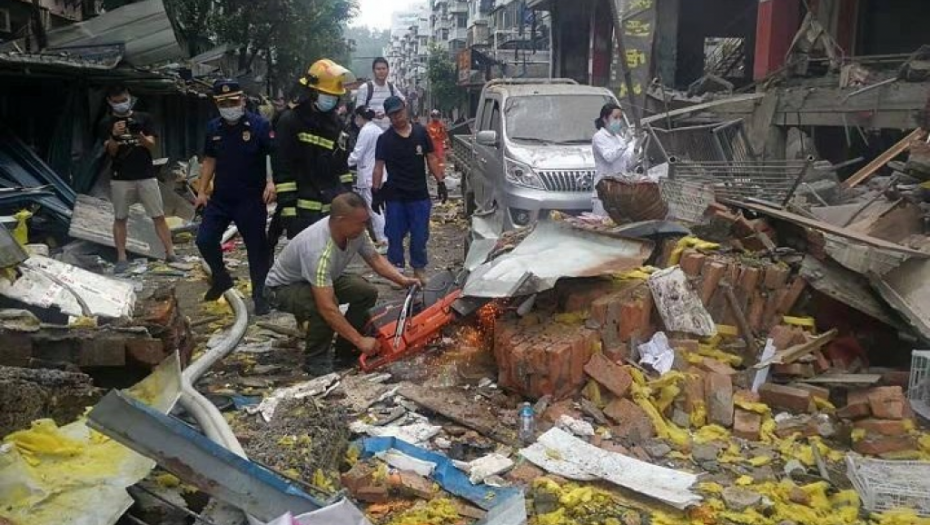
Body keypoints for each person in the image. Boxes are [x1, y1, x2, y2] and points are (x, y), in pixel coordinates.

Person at [264, 192, 420, 375]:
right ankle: (316, 360)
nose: (365, 227)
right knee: (323, 307)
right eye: (360, 223)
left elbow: (375, 259)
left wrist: (402, 280)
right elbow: (327, 308)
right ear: (340, 220)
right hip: (283, 288)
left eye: (365, 222)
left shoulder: (357, 233)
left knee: (365, 291)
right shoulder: (318, 249)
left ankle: (345, 351)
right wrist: (361, 341)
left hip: (320, 278)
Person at [195, 80, 276, 314]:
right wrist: (201, 191)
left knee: (256, 249)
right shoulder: (214, 128)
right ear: (217, 104)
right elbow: (209, 160)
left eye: (233, 101)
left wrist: (272, 182)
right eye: (223, 103)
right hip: (221, 196)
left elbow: (273, 155)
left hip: (251, 197)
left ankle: (260, 296)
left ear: (242, 100)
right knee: (205, 239)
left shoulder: (259, 125)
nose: (229, 106)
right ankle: (221, 278)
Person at [272, 59, 355, 239]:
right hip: (302, 212)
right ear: (312, 92)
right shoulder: (290, 121)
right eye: (325, 93)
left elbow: (342, 168)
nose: (330, 99)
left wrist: (347, 198)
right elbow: (283, 170)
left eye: (334, 95)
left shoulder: (337, 125)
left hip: (331, 210)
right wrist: (289, 211)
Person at [100, 85, 176, 273]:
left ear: (129, 98)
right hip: (120, 177)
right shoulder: (106, 123)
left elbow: (151, 145)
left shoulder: (144, 118)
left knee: (158, 215)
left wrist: (138, 134)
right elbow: (111, 151)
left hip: (146, 174)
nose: (120, 104)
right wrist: (114, 135)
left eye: (123, 100)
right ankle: (121, 257)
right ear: (110, 102)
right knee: (120, 218)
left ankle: (171, 252)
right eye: (116, 102)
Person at [371, 96, 446, 283]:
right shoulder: (384, 140)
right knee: (394, 235)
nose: (397, 117)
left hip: (419, 195)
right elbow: (378, 167)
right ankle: (397, 270)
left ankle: (419, 268)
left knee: (420, 235)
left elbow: (431, 158)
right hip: (395, 196)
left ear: (405, 109)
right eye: (392, 115)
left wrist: (441, 181)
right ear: (388, 117)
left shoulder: (421, 133)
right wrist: (375, 192)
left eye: (399, 112)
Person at [347, 105, 387, 252]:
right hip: (377, 173)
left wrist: (342, 163)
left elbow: (357, 154)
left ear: (359, 117)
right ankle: (383, 239)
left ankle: (383, 240)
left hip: (369, 175)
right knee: (378, 208)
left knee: (374, 210)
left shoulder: (365, 131)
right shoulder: (376, 129)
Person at [591, 103, 637, 217]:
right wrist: (625, 142)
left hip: (619, 191)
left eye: (620, 118)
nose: (619, 121)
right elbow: (609, 157)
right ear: (605, 119)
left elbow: (629, 164)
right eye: (615, 117)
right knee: (601, 225)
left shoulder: (619, 138)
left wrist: (636, 147)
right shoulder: (599, 137)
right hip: (603, 191)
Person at [354, 57, 405, 131]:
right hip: (370, 133)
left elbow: (403, 102)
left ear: (388, 70)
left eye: (383, 69)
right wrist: (374, 115)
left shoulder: (392, 87)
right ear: (373, 71)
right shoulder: (365, 88)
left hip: (388, 132)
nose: (381, 71)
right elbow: (359, 109)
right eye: (378, 69)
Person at [426, 109, 450, 175]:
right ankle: (431, 170)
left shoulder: (441, 125)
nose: (435, 118)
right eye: (434, 116)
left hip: (439, 144)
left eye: (437, 116)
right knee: (431, 158)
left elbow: (445, 135)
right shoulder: (429, 125)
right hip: (431, 144)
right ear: (432, 116)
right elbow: (427, 135)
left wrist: (447, 146)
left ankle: (441, 172)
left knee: (440, 158)